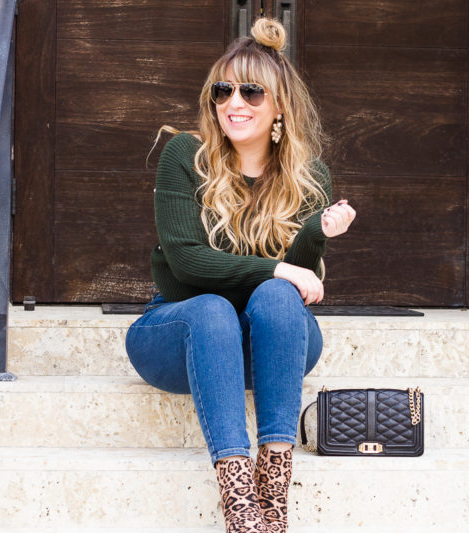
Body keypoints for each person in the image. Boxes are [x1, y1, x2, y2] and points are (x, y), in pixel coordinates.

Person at [124, 17, 356, 533]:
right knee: (211, 308)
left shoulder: (309, 174)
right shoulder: (185, 156)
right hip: (182, 335)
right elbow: (186, 266)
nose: (235, 101)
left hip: (264, 348)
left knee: (277, 297)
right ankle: (240, 501)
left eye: (252, 91)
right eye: (223, 90)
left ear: (279, 106)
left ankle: (274, 485)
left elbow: (300, 282)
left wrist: (315, 233)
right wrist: (281, 267)